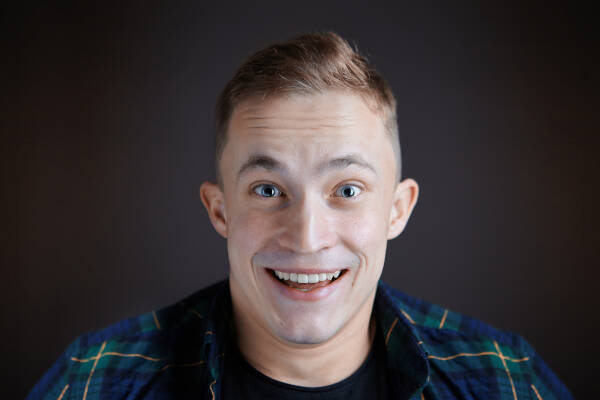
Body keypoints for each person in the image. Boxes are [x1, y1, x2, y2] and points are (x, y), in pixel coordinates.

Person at [27, 32, 572, 400]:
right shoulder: (95, 381)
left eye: (347, 190)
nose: (307, 238)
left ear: (397, 210)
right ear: (220, 210)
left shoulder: (507, 379)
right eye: (267, 189)